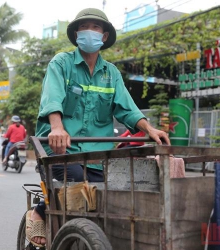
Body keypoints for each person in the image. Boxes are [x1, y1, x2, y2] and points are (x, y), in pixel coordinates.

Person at [26, 8, 170, 247]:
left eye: (95, 27)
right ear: (76, 33)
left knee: (109, 199)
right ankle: (40, 211)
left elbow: (127, 108)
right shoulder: (62, 63)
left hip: (97, 154)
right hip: (60, 150)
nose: (89, 32)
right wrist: (57, 128)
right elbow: (52, 97)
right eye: (84, 27)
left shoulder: (111, 73)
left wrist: (149, 129)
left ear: (104, 37)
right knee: (77, 191)